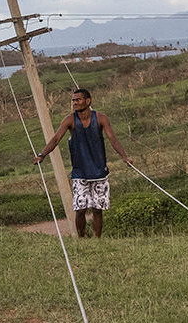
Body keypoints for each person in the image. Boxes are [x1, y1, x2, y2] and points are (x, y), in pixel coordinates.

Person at [32, 88, 130, 238]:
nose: (75, 103)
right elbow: (56, 138)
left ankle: (97, 239)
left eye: (78, 100)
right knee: (80, 209)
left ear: (88, 101)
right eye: (73, 100)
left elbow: (113, 139)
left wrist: (125, 157)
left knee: (97, 210)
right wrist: (42, 155)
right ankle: (82, 238)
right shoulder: (70, 120)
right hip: (80, 173)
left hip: (99, 172)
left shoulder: (101, 118)